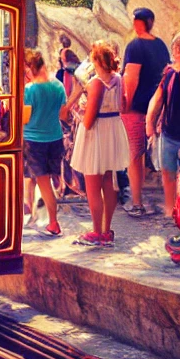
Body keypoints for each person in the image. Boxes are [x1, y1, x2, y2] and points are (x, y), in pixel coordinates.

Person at [69, 41, 129, 247]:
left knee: (93, 184)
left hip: (96, 134)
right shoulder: (119, 79)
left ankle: (96, 232)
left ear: (96, 60)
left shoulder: (96, 83)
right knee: (109, 181)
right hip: (113, 129)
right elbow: (124, 105)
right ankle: (107, 230)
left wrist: (78, 110)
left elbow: (89, 120)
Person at [121, 7, 170, 217]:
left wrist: (126, 103)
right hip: (157, 107)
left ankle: (137, 202)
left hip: (137, 108)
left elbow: (131, 77)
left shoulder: (135, 46)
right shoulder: (161, 46)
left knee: (135, 155)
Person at [145, 31, 180, 216]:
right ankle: (171, 210)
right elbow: (157, 99)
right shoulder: (169, 73)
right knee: (168, 174)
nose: (173, 53)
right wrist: (149, 122)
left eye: (176, 49)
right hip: (169, 133)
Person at [23, 49, 66, 237]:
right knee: (43, 180)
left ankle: (53, 222)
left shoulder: (30, 90)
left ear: (29, 67)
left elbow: (25, 118)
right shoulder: (58, 85)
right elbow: (63, 114)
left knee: (42, 183)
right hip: (55, 138)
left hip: (34, 141)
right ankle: (31, 214)